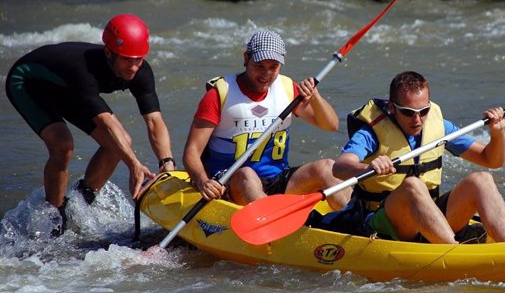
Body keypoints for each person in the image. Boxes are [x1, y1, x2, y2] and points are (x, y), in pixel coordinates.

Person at [313, 70, 505, 244]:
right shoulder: (372, 131)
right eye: (408, 113)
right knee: (413, 186)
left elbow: (492, 160)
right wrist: (366, 166)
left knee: (481, 179)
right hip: (385, 222)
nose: (417, 120)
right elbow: (340, 167)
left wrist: (498, 134)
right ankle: (453, 253)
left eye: (423, 111)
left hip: (429, 218)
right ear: (392, 108)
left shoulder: (438, 126)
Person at [5, 14, 175, 235]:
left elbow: (154, 121)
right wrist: (134, 165)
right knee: (63, 145)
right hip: (29, 82)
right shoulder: (83, 70)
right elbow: (104, 122)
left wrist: (168, 164)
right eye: (126, 59)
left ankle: (80, 201)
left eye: (138, 59)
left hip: (68, 89)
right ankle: (55, 218)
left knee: (122, 143)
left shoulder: (141, 71)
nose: (133, 67)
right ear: (108, 53)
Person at [182, 30, 350, 210]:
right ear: (246, 58)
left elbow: (331, 125)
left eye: (273, 67)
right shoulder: (219, 95)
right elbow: (191, 152)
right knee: (247, 174)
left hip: (276, 179)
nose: (266, 74)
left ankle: (355, 222)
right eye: (259, 65)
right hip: (230, 184)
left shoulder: (287, 89)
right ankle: (273, 226)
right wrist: (203, 182)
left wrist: (315, 97)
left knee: (326, 167)